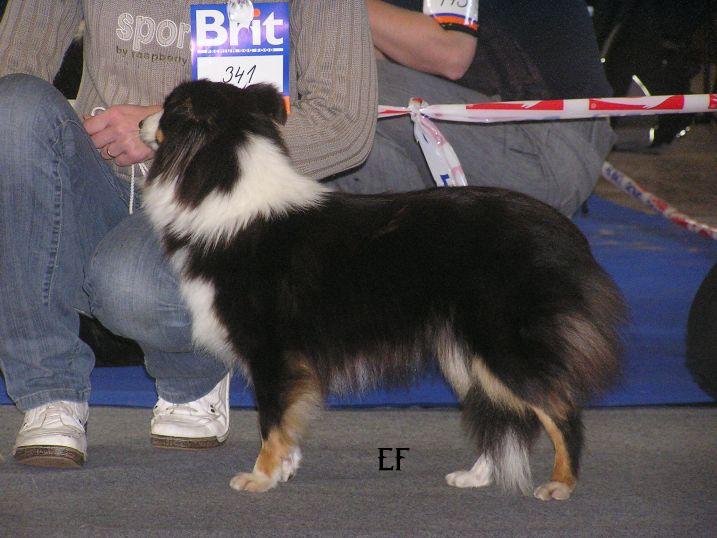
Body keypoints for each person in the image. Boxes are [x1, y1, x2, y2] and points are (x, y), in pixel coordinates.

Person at [0, 1, 376, 467]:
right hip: (97, 177)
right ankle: (47, 391)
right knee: (12, 108)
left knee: (130, 284)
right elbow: (12, 66)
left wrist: (177, 131)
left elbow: (344, 125)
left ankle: (193, 373)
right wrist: (40, 154)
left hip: (221, 208)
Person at [330, 0, 616, 217]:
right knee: (332, 96)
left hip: (546, 144)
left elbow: (450, 51)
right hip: (515, 138)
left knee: (337, 88)